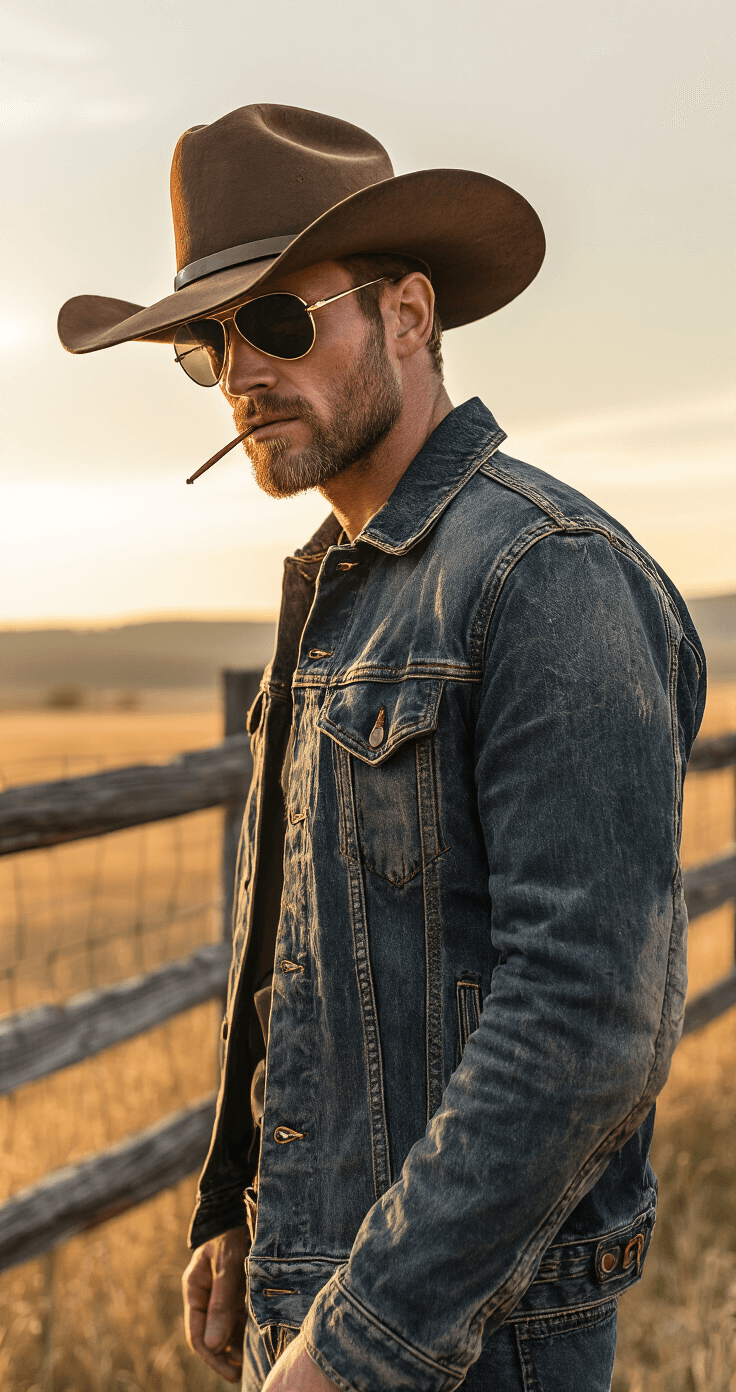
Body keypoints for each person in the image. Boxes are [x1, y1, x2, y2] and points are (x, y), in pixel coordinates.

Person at [58, 104, 706, 1392]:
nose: (243, 368)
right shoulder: (340, 592)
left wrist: (354, 1347)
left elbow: (587, 1021)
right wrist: (246, 1200)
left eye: (282, 321)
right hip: (323, 1301)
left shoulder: (547, 578)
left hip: (470, 1344)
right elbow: (315, 951)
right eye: (210, 341)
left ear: (408, 316)